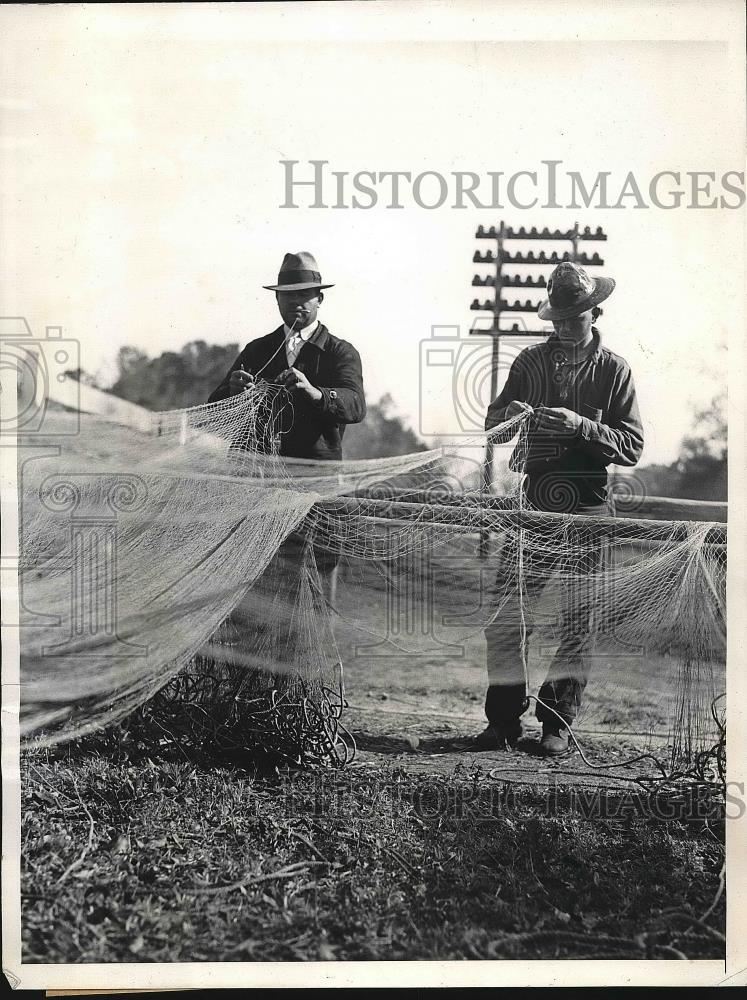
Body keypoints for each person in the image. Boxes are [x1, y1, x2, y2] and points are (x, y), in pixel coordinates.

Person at [475, 260, 644, 756]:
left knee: (577, 621)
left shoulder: (615, 369)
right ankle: (503, 722)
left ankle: (556, 724)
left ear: (596, 313)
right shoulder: (528, 363)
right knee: (507, 617)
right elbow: (493, 424)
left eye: (576, 319)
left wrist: (580, 426)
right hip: (534, 504)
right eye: (559, 320)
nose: (566, 328)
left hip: (587, 509)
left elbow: (631, 446)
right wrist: (506, 416)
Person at [208, 251, 365, 461]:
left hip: (314, 478)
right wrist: (233, 392)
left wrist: (315, 393)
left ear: (319, 299)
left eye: (304, 294)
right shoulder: (256, 350)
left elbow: (356, 405)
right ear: (277, 298)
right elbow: (213, 412)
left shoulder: (339, 352)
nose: (295, 302)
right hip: (254, 473)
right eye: (288, 294)